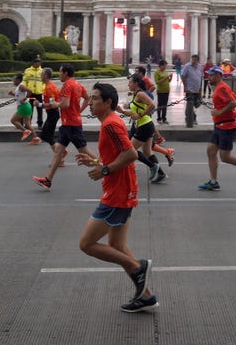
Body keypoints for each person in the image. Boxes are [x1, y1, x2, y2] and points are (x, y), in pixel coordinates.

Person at [74, 82, 157, 313]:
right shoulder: (110, 123)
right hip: (122, 189)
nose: (90, 103)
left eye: (95, 99)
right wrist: (95, 162)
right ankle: (146, 297)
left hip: (117, 193)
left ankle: (137, 267)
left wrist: (105, 170)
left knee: (87, 244)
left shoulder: (110, 124)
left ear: (108, 102)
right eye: (90, 99)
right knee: (116, 244)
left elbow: (131, 154)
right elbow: (117, 155)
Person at [32, 64, 97, 190]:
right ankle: (47, 180)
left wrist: (56, 104)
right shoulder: (77, 84)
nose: (59, 74)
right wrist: (79, 111)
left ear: (66, 73)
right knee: (58, 152)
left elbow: (65, 104)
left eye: (60, 72)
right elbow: (87, 98)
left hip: (71, 124)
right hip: (69, 123)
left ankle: (105, 167)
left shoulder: (68, 85)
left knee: (84, 151)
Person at [118, 75, 166, 183]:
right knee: (147, 151)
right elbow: (135, 111)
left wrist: (140, 115)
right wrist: (123, 110)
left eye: (130, 82)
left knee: (131, 151)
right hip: (145, 125)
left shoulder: (140, 94)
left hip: (144, 126)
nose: (128, 84)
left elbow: (152, 105)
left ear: (136, 83)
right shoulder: (136, 94)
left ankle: (153, 166)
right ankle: (161, 173)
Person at [36, 67, 65, 162]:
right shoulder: (50, 85)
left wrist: (39, 104)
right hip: (51, 114)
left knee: (47, 136)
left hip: (53, 113)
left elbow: (52, 104)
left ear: (45, 76)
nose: (40, 76)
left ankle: (60, 157)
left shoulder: (49, 88)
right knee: (46, 135)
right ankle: (60, 155)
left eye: (41, 74)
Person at [9, 73, 39, 143]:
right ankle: (36, 138)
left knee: (13, 120)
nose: (13, 81)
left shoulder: (21, 86)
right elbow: (19, 96)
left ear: (19, 80)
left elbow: (30, 91)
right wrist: (12, 94)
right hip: (27, 106)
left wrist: (24, 99)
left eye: (14, 80)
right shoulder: (19, 86)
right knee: (28, 124)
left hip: (24, 106)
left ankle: (25, 131)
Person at [180, 54, 203, 127]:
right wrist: (185, 86)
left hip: (197, 89)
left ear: (198, 60)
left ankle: (191, 117)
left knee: (197, 104)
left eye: (195, 60)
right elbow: (183, 76)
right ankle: (191, 118)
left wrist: (200, 87)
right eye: (192, 59)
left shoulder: (200, 67)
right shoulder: (187, 66)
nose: (193, 61)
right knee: (190, 104)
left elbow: (201, 77)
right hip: (190, 89)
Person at [23, 56, 46, 128]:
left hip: (39, 93)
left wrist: (42, 89)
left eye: (39, 62)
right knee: (30, 109)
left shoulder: (42, 71)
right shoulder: (27, 71)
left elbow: (44, 82)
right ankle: (28, 123)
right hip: (30, 93)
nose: (38, 63)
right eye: (36, 62)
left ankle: (40, 123)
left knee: (40, 109)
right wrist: (25, 89)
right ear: (33, 62)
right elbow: (25, 81)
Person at [153, 60, 172, 124]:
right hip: (160, 91)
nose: (165, 67)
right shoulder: (157, 72)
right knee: (160, 105)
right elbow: (157, 82)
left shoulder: (165, 71)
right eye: (164, 66)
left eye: (166, 66)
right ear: (161, 65)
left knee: (165, 105)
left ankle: (164, 118)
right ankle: (159, 118)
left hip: (167, 90)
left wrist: (170, 78)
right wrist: (166, 77)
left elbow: (168, 81)